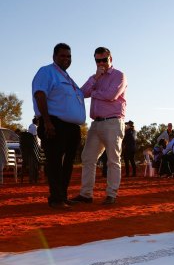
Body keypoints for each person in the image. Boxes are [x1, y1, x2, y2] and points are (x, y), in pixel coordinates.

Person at [32, 43, 85, 209]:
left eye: (69, 56)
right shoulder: (46, 72)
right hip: (54, 124)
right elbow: (40, 94)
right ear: (54, 57)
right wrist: (47, 121)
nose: (66, 59)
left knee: (67, 163)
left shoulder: (68, 78)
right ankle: (56, 199)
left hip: (72, 128)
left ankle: (63, 196)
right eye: (62, 56)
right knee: (55, 162)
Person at [71, 47, 127, 205]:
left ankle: (111, 195)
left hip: (113, 122)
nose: (101, 63)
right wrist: (95, 78)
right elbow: (81, 93)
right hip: (96, 123)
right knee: (87, 158)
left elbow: (111, 95)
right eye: (98, 60)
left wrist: (94, 93)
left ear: (111, 58)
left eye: (104, 59)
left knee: (113, 159)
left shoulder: (119, 76)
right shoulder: (95, 77)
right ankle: (86, 194)